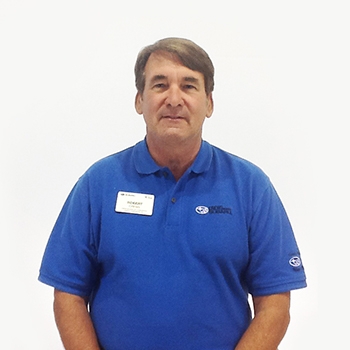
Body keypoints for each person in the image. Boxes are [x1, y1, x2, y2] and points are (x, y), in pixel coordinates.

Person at [39, 37, 307, 350]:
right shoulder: (98, 183)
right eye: (160, 85)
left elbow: (274, 303)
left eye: (189, 86)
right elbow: (68, 294)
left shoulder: (250, 186)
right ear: (139, 100)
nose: (174, 99)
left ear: (209, 103)